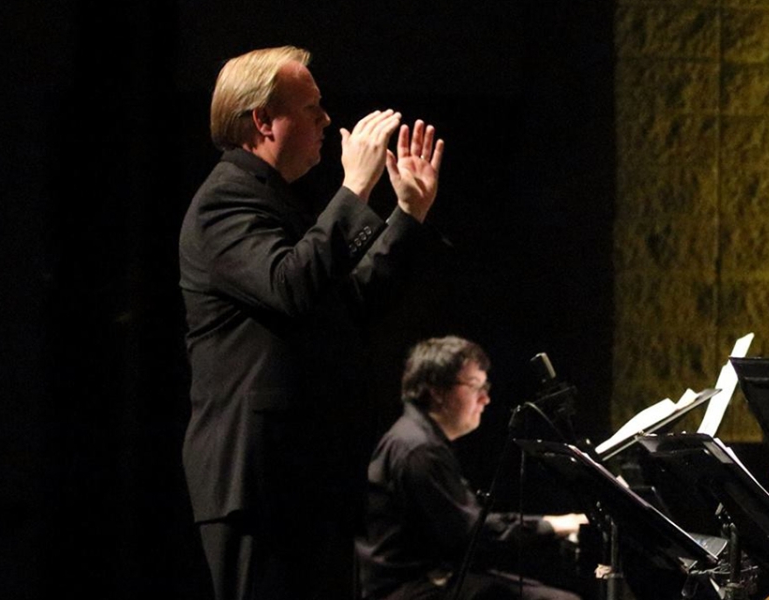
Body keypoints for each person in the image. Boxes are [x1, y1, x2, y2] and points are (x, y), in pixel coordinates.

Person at [179, 46, 443, 599]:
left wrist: (408, 215)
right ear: (262, 121)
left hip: (308, 479)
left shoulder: (280, 202)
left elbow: (349, 304)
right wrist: (354, 189)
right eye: (312, 107)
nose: (327, 120)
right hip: (259, 483)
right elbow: (289, 286)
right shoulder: (223, 201)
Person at [359, 337, 587, 600]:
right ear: (437, 391)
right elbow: (472, 537)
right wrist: (553, 526)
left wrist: (550, 525)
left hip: (427, 580)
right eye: (475, 385)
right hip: (413, 589)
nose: (486, 398)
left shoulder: (416, 438)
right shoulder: (419, 450)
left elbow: (466, 525)